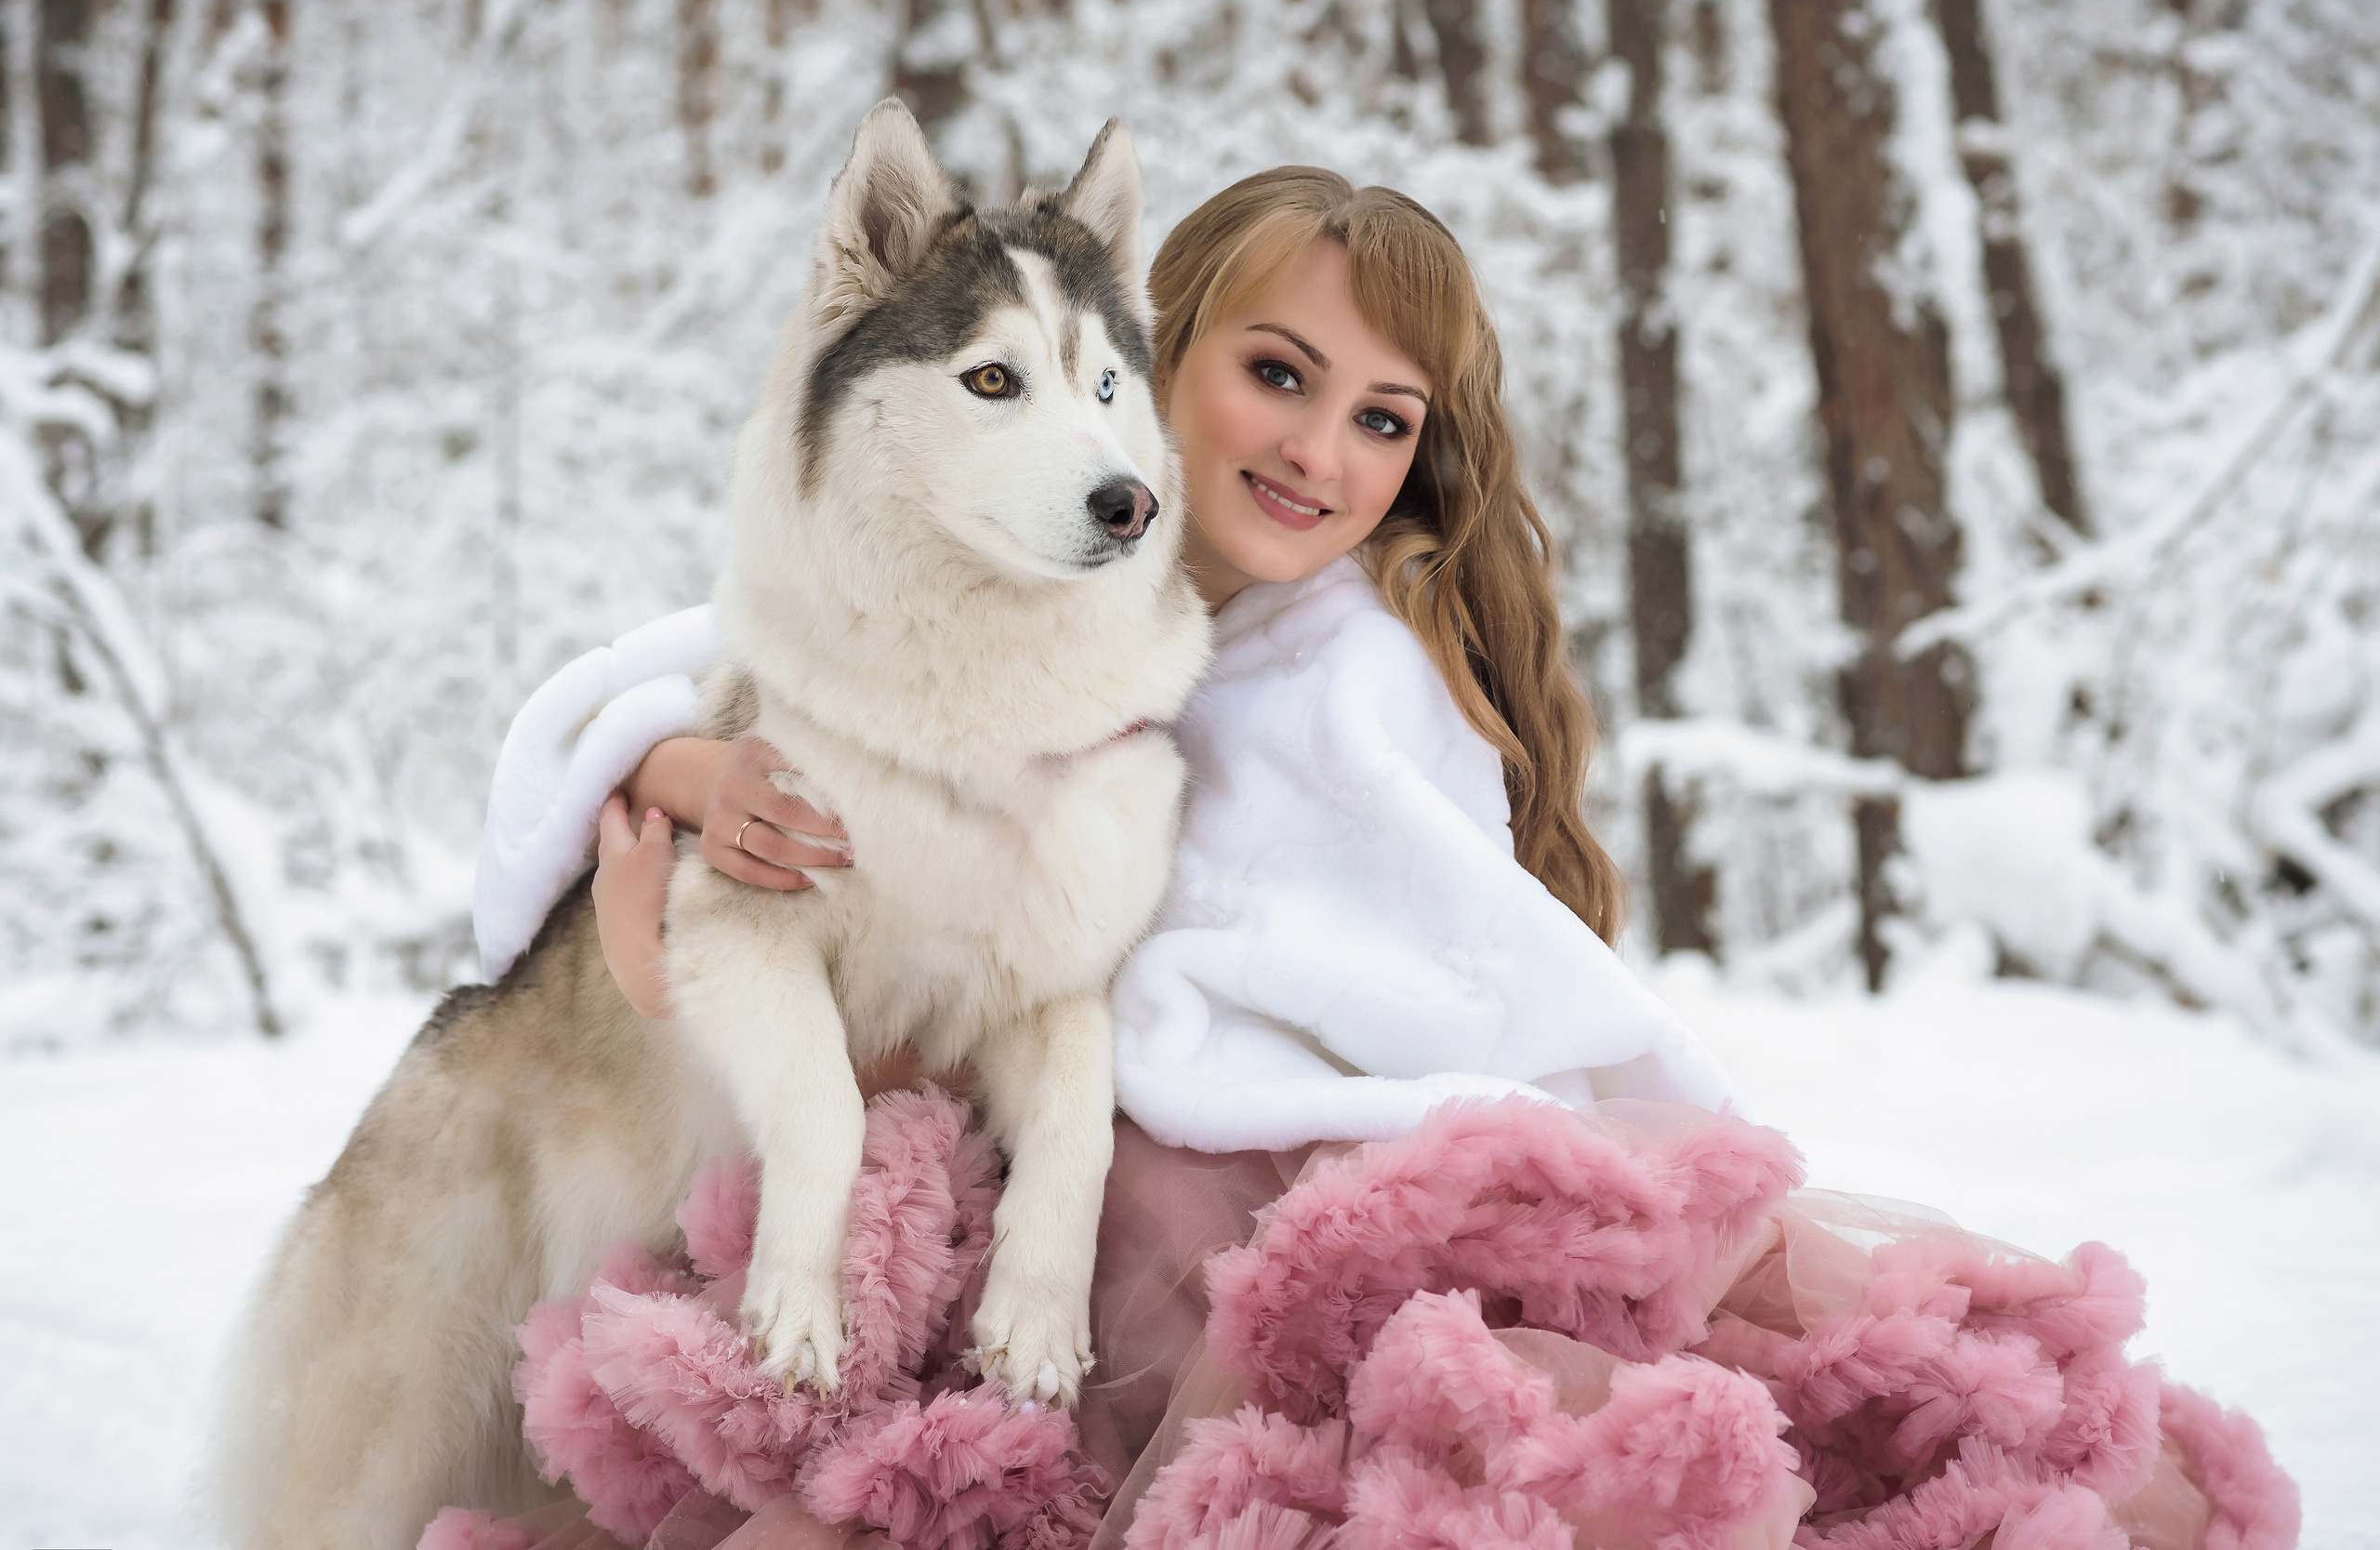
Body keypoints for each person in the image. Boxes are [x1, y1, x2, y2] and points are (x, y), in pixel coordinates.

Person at [468, 168, 2289, 1550]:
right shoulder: (970, 565)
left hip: (1225, 1218)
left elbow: (1401, 968)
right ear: (1143, 352)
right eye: (1276, 374)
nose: (1317, 451)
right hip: (1015, 1173)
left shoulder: (1347, 674)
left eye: (1380, 419)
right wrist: (677, 759)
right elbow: (633, 690)